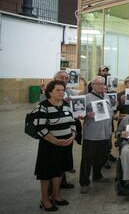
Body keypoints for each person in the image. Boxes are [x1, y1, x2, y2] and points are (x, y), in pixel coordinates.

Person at [33, 80, 76, 211]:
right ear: (50, 92)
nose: (61, 92)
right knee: (46, 173)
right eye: (58, 90)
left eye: (63, 90)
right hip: (49, 146)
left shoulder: (67, 104)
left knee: (58, 171)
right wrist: (55, 141)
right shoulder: (43, 106)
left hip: (66, 144)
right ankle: (45, 199)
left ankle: (56, 195)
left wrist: (72, 136)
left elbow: (73, 122)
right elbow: (40, 128)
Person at [79, 76, 113, 194]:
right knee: (87, 159)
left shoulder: (107, 96)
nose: (101, 86)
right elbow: (80, 114)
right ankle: (84, 182)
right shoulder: (87, 97)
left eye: (102, 84)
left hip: (105, 133)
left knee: (102, 157)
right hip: (92, 134)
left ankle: (97, 175)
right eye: (98, 84)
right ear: (92, 85)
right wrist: (87, 115)